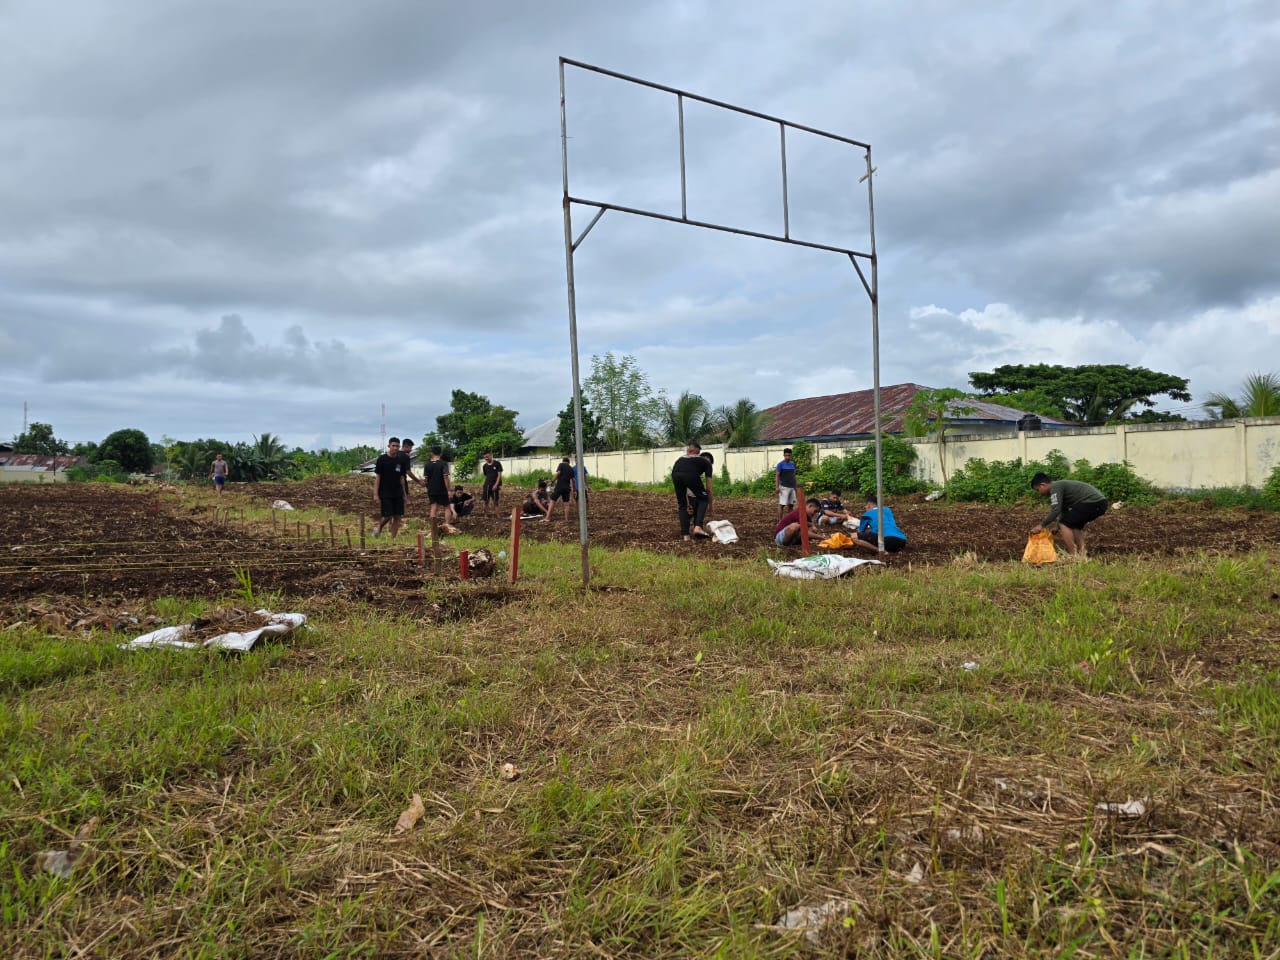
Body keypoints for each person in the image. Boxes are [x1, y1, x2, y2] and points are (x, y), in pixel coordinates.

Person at [1030, 472, 1108, 558]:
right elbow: (1064, 510)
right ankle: (1082, 554)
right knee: (1075, 526)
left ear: (1042, 485)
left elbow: (1055, 510)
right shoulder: (1057, 487)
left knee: (1064, 524)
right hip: (1098, 503)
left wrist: (1041, 525)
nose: (1039, 493)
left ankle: (1072, 555)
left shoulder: (1055, 487)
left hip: (1092, 502)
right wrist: (1057, 526)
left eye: (1038, 490)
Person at [672, 441, 714, 541]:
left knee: (682, 505)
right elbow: (708, 489)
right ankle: (698, 527)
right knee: (703, 499)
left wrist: (687, 503)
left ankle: (686, 535)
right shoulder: (706, 463)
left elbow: (684, 483)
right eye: (697, 453)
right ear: (695, 451)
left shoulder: (681, 459)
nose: (697, 455)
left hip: (675, 474)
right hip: (689, 477)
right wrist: (711, 506)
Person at [372, 438, 406, 539]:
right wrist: (375, 494)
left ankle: (393, 539)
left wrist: (404, 494)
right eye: (393, 446)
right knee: (388, 515)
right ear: (389, 446)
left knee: (397, 516)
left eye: (397, 446)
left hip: (398, 492)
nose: (395, 448)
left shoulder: (400, 460)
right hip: (385, 492)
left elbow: (401, 478)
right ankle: (379, 527)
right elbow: (378, 477)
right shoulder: (382, 459)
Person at [421, 445, 452, 527]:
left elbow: (426, 480)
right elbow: (445, 477)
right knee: (447, 507)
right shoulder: (443, 464)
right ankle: (447, 526)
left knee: (433, 507)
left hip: (431, 490)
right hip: (442, 489)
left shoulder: (427, 465)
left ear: (432, 453)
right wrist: (448, 490)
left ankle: (433, 528)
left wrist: (427, 486)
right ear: (441, 453)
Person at [549, 456, 575, 521]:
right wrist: (573, 490)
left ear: (563, 461)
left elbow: (558, 473)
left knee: (552, 501)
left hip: (559, 486)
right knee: (566, 504)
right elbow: (572, 480)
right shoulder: (571, 469)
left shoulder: (561, 464)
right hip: (567, 487)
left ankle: (547, 518)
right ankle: (566, 519)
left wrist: (552, 481)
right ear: (568, 462)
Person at [775, 447, 797, 519]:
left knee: (791, 505)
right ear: (784, 455)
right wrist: (777, 487)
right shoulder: (780, 464)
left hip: (792, 487)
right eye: (786, 455)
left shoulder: (792, 464)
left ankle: (789, 520)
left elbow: (794, 475)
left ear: (791, 455)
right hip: (784, 487)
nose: (787, 457)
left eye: (789, 455)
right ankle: (780, 521)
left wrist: (795, 486)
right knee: (782, 504)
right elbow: (777, 476)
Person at [480, 451, 503, 515]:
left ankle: (498, 515)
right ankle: (485, 515)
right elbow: (486, 476)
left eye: (487, 456)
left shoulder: (497, 463)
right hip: (487, 485)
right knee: (485, 501)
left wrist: (496, 485)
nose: (486, 458)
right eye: (485, 457)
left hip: (495, 486)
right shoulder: (484, 466)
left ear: (491, 455)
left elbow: (499, 476)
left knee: (496, 501)